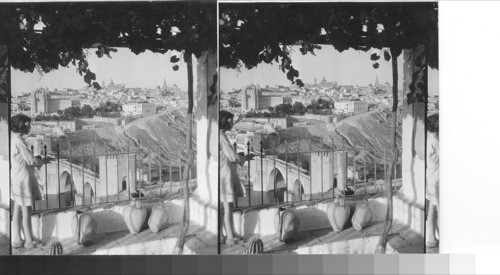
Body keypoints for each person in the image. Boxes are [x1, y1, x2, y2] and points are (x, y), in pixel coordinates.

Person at [10, 114, 45, 249]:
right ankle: (29, 241)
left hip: (16, 176)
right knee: (26, 210)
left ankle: (17, 240)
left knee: (18, 209)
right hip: (24, 178)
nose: (30, 127)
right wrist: (42, 161)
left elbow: (21, 157)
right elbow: (31, 161)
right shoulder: (19, 141)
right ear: (22, 125)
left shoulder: (12, 138)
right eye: (28, 124)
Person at [219, 110, 252, 246]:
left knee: (221, 207)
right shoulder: (221, 136)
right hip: (226, 173)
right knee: (228, 206)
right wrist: (245, 158)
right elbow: (232, 156)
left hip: (219, 171)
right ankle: (230, 238)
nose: (232, 123)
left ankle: (222, 235)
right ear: (224, 121)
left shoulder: (216, 134)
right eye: (230, 121)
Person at [426, 114, 439, 249]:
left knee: (432, 208)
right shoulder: (434, 138)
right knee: (438, 209)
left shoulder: (426, 136)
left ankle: (431, 239)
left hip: (430, 175)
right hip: (437, 177)